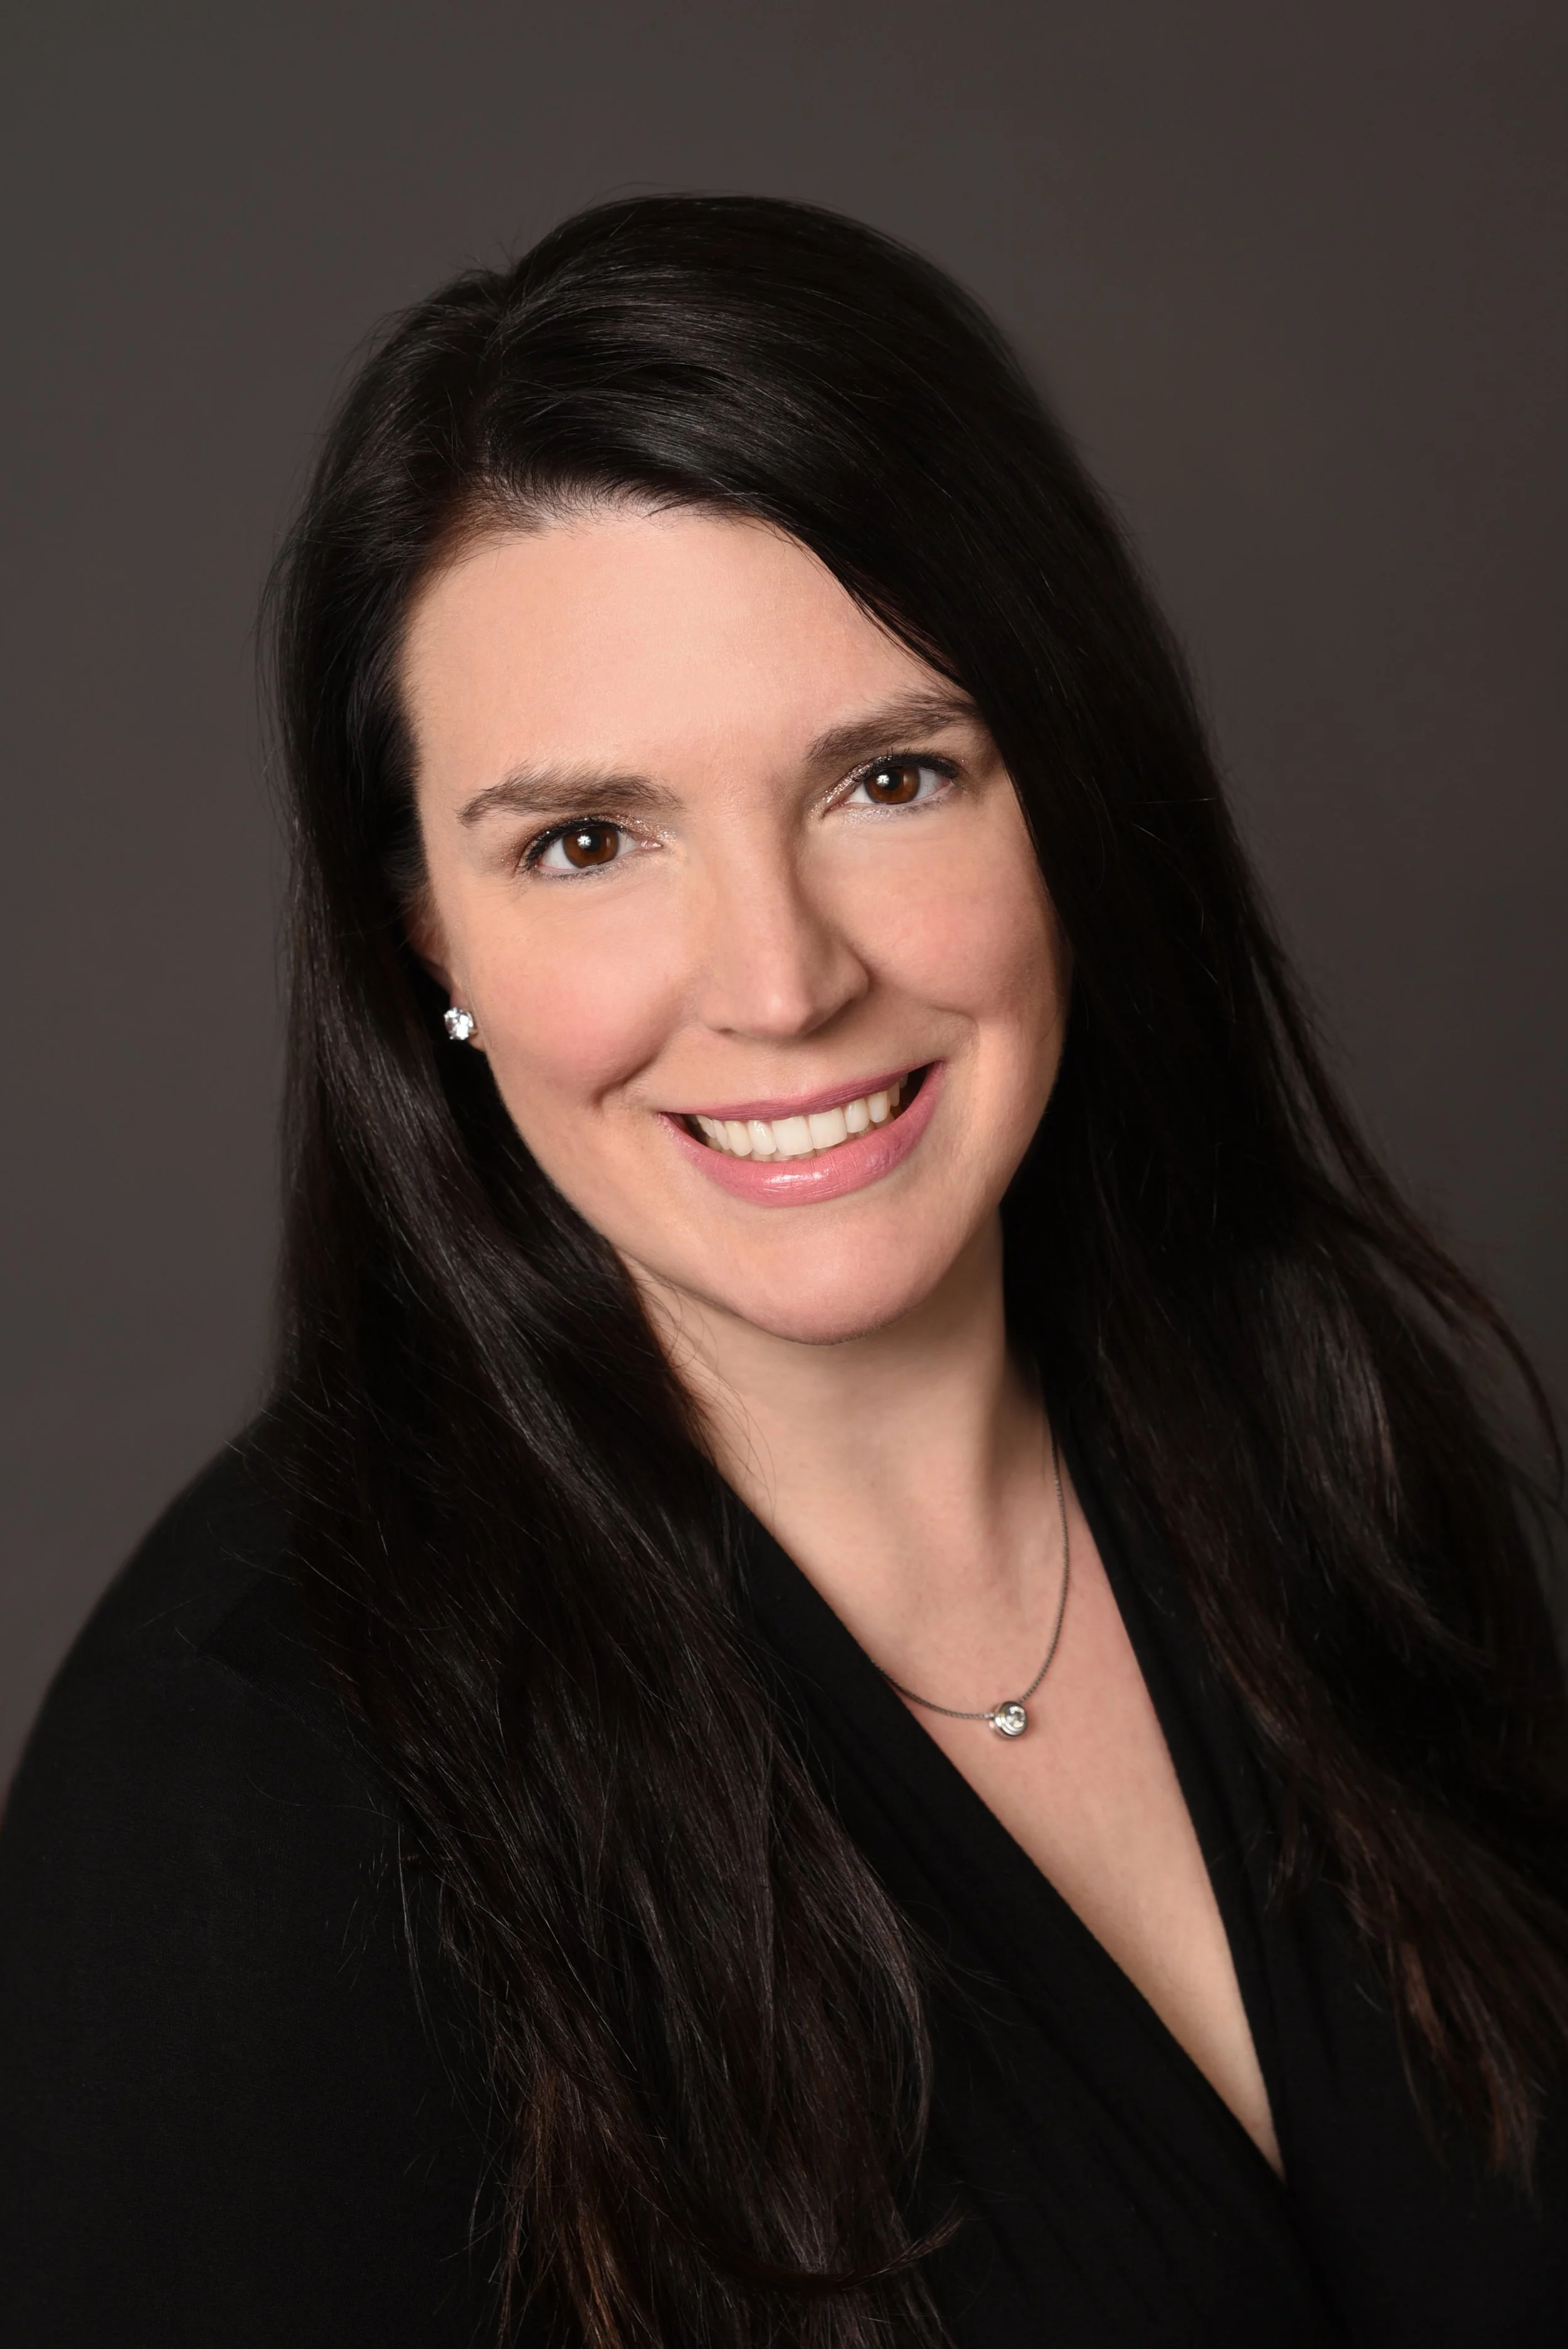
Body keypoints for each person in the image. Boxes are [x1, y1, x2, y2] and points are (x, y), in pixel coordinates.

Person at [1, 194, 1564, 2349]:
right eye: (585, 839)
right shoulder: (239, 1800)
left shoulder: (1345, 1433)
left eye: (889, 778)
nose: (779, 979)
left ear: (1069, 800)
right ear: (421, 938)